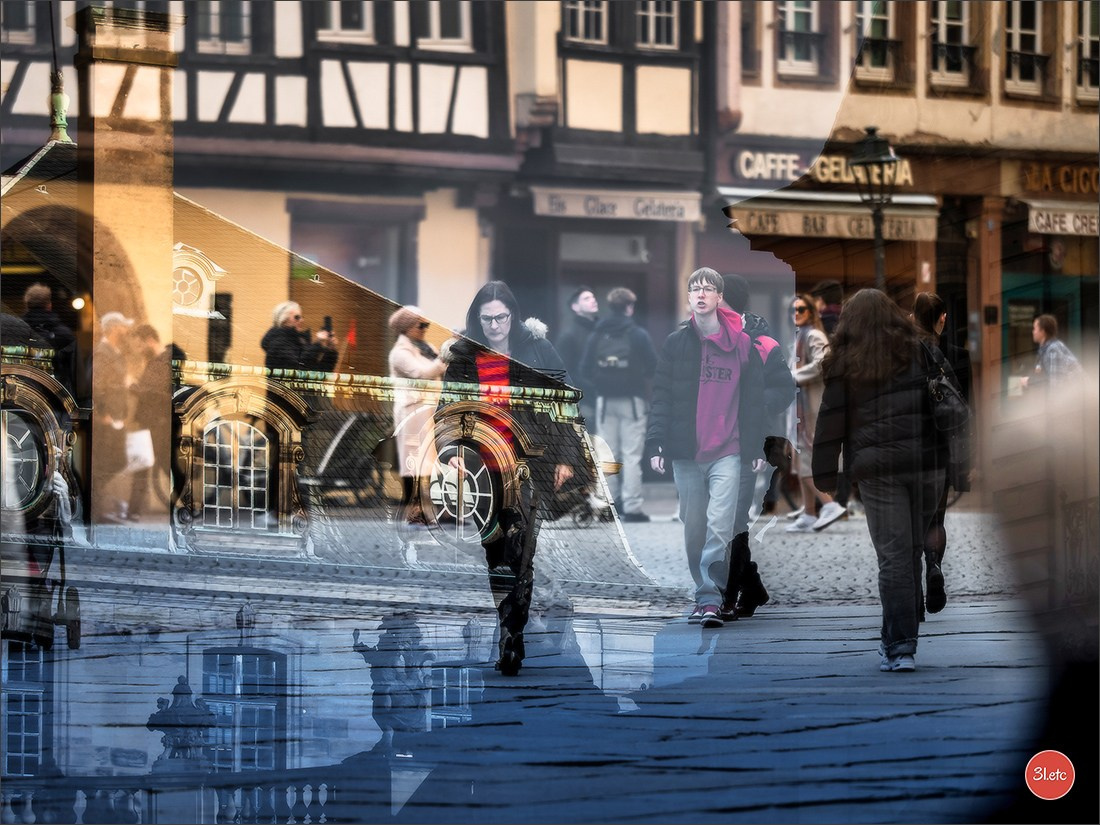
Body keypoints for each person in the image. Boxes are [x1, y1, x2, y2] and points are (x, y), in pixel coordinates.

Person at [439, 280, 578, 675]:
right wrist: (453, 452)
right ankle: (510, 622)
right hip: (483, 468)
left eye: (501, 317)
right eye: (487, 319)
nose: (495, 325)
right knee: (496, 553)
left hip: (530, 462)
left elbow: (564, 404)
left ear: (513, 316)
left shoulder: (538, 349)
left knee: (522, 552)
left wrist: (566, 457)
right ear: (476, 319)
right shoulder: (463, 357)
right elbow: (447, 410)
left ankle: (510, 634)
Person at [813, 289, 949, 672]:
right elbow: (951, 403)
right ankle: (898, 637)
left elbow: (830, 424)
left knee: (894, 556)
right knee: (908, 553)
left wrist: (826, 474)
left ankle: (901, 646)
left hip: (879, 471)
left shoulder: (845, 362)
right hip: (927, 466)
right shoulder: (920, 349)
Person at [644, 267, 775, 629]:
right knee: (693, 527)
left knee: (720, 527)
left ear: (719, 298)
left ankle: (710, 600)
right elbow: (662, 398)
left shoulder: (743, 344)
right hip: (686, 452)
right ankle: (703, 591)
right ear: (689, 298)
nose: (700, 294)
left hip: (728, 451)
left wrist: (757, 448)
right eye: (694, 289)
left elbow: (753, 401)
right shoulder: (676, 343)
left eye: (708, 289)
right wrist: (656, 443)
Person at [718, 273, 796, 620]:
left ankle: (728, 596)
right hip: (708, 442)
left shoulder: (763, 342)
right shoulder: (700, 337)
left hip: (748, 441)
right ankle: (752, 588)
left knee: (732, 520)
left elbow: (783, 388)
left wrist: (753, 403)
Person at [911, 293, 972, 615]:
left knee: (907, 521)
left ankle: (912, 597)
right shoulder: (958, 356)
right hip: (942, 452)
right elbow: (965, 414)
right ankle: (933, 564)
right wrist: (966, 463)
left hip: (907, 449)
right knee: (935, 519)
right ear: (943, 318)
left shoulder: (903, 353)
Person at [578, 287, 658, 522]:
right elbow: (653, 366)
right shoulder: (638, 334)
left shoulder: (597, 334)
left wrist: (599, 388)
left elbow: (583, 369)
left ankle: (606, 507)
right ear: (629, 308)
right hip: (633, 402)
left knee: (607, 455)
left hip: (605, 402)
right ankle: (632, 508)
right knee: (631, 456)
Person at [786, 294, 846, 533]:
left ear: (811, 311)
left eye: (800, 309)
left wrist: (792, 376)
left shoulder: (814, 335)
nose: (796, 314)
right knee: (799, 459)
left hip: (811, 408)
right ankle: (809, 513)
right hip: (800, 407)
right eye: (792, 310)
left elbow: (824, 363)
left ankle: (829, 505)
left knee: (806, 459)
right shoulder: (800, 336)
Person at [388, 306, 446, 525]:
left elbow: (437, 370)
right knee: (412, 462)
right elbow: (421, 374)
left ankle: (433, 509)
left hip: (430, 411)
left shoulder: (427, 348)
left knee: (431, 462)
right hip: (411, 412)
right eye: (420, 325)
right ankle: (413, 511)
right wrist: (443, 363)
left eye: (426, 324)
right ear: (407, 327)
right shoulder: (399, 352)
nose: (424, 329)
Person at [94, 311, 134, 522]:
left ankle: (100, 504)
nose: (126, 330)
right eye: (123, 326)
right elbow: (98, 385)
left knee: (117, 460)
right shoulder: (103, 353)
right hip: (108, 417)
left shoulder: (115, 353)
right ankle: (98, 508)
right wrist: (104, 413)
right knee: (106, 462)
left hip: (116, 416)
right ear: (113, 328)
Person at [554, 286, 600, 430]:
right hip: (584, 400)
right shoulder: (569, 335)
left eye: (593, 297)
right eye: (586, 298)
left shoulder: (602, 331)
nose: (593, 300)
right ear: (575, 306)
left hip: (607, 399)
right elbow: (564, 371)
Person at [21, 283, 79, 396]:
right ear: (49, 305)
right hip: (55, 395)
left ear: (27, 305)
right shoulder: (64, 335)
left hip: (23, 393)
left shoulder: (18, 331)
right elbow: (74, 372)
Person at [260, 301, 338, 373]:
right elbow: (300, 369)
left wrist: (330, 351)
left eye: (301, 317)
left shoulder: (299, 340)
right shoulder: (277, 343)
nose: (301, 320)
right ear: (284, 320)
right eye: (297, 317)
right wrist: (318, 344)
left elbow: (318, 373)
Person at [1022, 313, 1082, 391]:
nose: (1033, 332)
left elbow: (1055, 385)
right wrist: (1029, 381)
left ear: (1042, 331)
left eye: (1034, 328)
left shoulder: (1053, 350)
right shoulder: (1044, 350)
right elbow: (1044, 377)